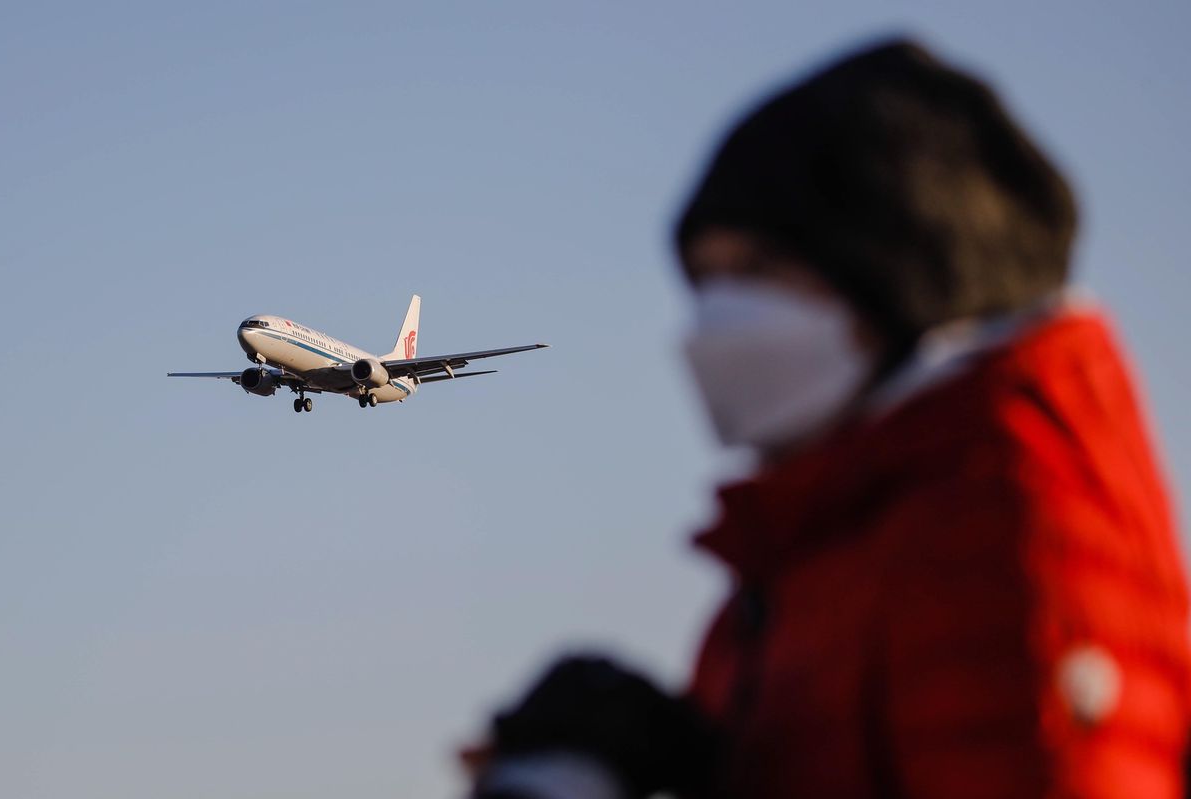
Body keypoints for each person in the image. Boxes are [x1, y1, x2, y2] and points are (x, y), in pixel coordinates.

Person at [465, 38, 1191, 799]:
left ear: (895, 278)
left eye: (756, 271)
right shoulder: (804, 562)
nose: (716, 317)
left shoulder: (999, 529)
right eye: (704, 280)